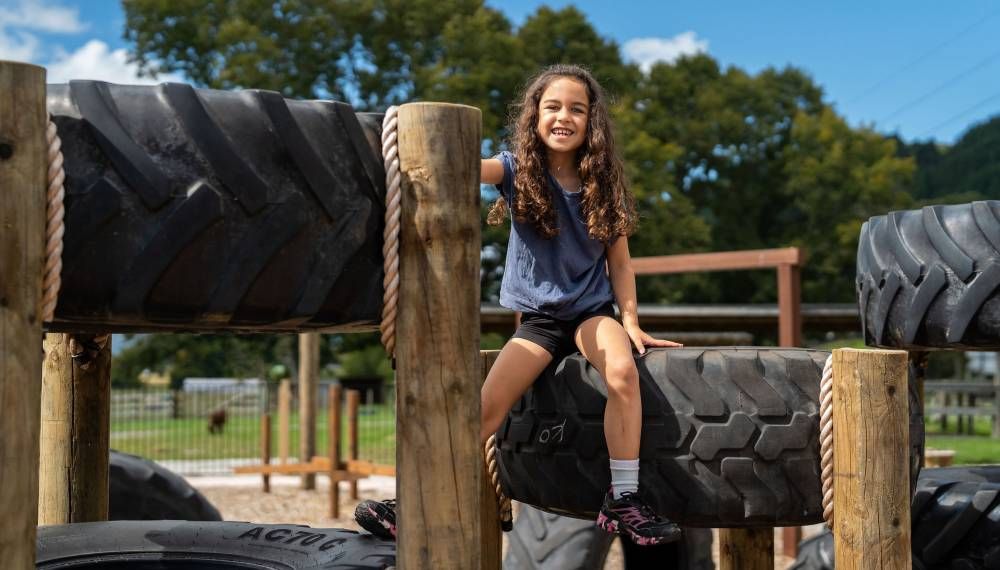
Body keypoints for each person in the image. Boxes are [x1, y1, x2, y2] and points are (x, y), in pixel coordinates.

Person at [355, 63, 683, 545]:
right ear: (535, 116)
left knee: (622, 373)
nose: (563, 117)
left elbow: (621, 263)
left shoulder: (603, 183)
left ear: (592, 120)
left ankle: (623, 500)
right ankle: (410, 503)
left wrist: (630, 320)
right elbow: (460, 164)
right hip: (541, 321)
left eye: (577, 108)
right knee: (483, 411)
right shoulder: (516, 169)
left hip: (591, 314)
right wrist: (399, 140)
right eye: (552, 107)